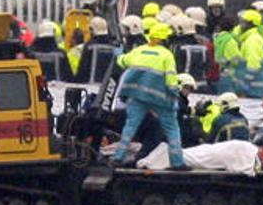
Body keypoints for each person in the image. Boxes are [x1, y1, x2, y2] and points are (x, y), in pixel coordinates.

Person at [112, 23, 190, 170]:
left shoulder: (139, 51)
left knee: (130, 127)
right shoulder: (167, 55)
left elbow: (123, 62)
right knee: (172, 129)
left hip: (137, 97)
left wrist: (118, 54)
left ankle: (118, 158)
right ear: (165, 39)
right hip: (160, 100)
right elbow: (171, 81)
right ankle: (177, 163)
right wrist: (174, 98)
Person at [169, 14, 212, 91]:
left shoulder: (178, 48)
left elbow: (174, 69)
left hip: (184, 88)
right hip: (203, 87)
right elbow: (208, 68)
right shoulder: (204, 48)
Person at [74, 17, 117, 83]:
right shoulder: (114, 46)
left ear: (92, 29)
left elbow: (83, 68)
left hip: (91, 85)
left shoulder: (90, 46)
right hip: (109, 86)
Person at [236, 9, 263, 98]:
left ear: (251, 24)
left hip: (252, 89)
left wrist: (245, 87)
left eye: (243, 22)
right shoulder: (250, 38)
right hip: (254, 88)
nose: (240, 25)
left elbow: (253, 65)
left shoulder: (253, 39)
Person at [214, 15, 242, 94]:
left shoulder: (218, 39)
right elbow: (236, 60)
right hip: (230, 77)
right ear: (233, 27)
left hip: (220, 75)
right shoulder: (230, 41)